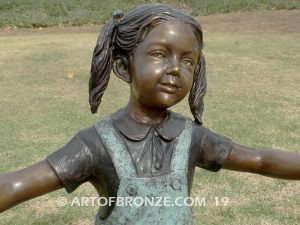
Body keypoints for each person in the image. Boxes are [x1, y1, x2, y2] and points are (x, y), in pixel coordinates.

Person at [0, 3, 299, 225]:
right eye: (159, 54)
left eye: (188, 62)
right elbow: (17, 184)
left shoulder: (192, 138)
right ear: (122, 66)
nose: (174, 69)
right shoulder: (96, 145)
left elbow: (260, 160)